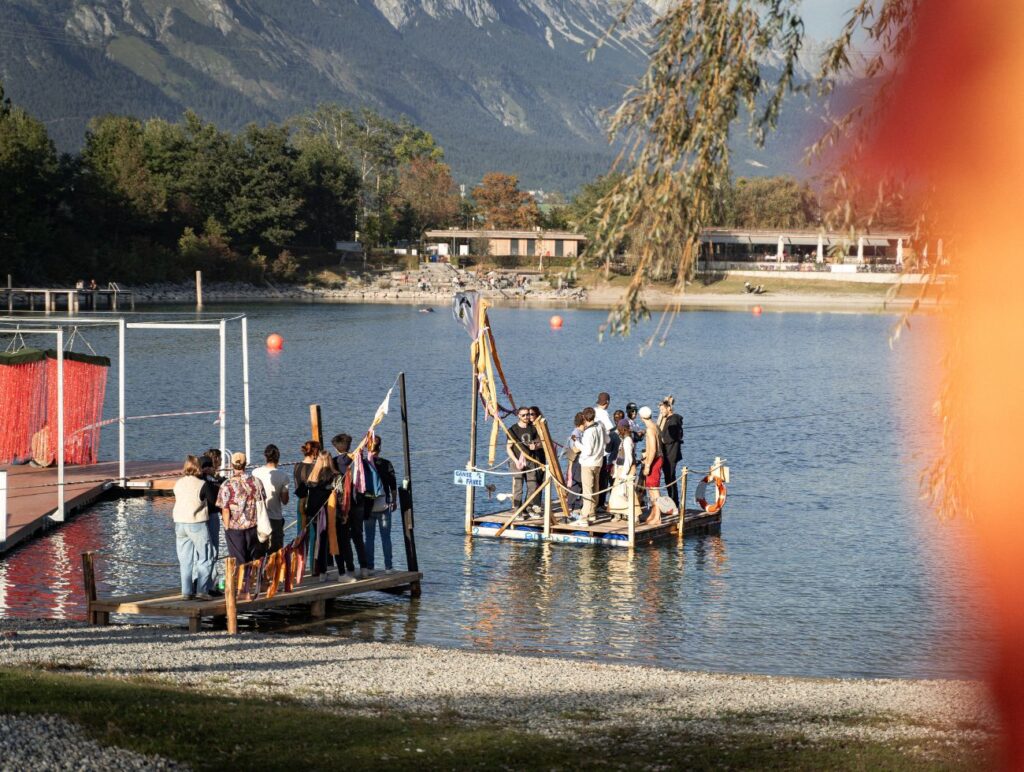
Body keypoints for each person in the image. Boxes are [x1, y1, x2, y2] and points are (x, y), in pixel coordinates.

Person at [172, 455, 215, 601]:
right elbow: (213, 501)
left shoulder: (178, 483)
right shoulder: (202, 484)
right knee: (205, 557)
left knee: (185, 560)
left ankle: (186, 591)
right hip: (196, 523)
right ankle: (202, 590)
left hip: (179, 523)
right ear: (198, 467)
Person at [216, 451, 267, 564]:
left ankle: (242, 581)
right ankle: (254, 580)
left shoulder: (226, 485)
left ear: (232, 465)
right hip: (254, 526)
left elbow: (225, 509)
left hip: (235, 528)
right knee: (255, 560)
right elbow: (262, 501)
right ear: (245, 464)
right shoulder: (256, 482)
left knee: (239, 562)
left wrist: (226, 526)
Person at [331, 433, 368, 582]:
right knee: (358, 536)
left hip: (343, 506)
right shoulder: (358, 460)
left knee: (344, 539)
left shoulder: (334, 462)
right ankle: (364, 568)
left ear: (336, 448)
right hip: (358, 502)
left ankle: (350, 568)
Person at [362, 436, 398, 574]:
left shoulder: (363, 464)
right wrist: (394, 501)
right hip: (384, 505)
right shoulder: (386, 464)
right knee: (386, 538)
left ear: (367, 448)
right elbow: (393, 485)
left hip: (368, 506)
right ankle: (388, 567)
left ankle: (369, 567)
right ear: (380, 448)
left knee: (369, 538)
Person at [302, 450, 338, 577]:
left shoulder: (312, 477)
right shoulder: (334, 476)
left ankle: (316, 569)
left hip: (313, 512)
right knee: (329, 540)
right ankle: (326, 569)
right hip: (328, 511)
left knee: (318, 540)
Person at [252, 444, 289, 553]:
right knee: (276, 551)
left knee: (259, 550)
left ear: (265, 456)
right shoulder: (283, 476)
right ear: (278, 457)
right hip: (275, 518)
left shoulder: (255, 472)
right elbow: (285, 501)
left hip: (259, 516)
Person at [573, 407, 606, 525]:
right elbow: (606, 441)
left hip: (588, 463)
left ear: (584, 418)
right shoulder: (600, 426)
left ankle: (584, 516)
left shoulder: (588, 432)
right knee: (595, 488)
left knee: (587, 490)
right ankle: (592, 513)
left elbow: (587, 451)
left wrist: (577, 442)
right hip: (599, 462)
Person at [507, 406, 541, 513]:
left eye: (528, 414)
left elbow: (539, 442)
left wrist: (535, 446)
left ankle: (528, 506)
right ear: (518, 416)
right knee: (518, 487)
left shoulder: (533, 428)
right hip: (517, 461)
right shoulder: (512, 429)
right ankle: (517, 509)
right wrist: (516, 461)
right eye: (523, 415)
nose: (526, 417)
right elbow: (508, 448)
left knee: (533, 485)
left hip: (530, 460)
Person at [607, 419, 640, 520]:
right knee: (617, 493)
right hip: (621, 469)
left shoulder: (627, 441)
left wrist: (624, 473)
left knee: (628, 493)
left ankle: (634, 515)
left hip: (626, 470)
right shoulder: (625, 439)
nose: (618, 431)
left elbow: (629, 458)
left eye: (619, 429)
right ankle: (618, 513)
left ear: (623, 429)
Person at [658, 396, 684, 507]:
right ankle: (674, 501)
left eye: (663, 410)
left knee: (670, 478)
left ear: (669, 408)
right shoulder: (668, 419)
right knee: (669, 478)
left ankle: (675, 502)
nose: (661, 412)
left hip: (671, 454)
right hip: (668, 453)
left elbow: (670, 436)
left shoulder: (673, 420)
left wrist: (662, 439)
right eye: (660, 410)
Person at [293, 440, 320, 543]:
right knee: (314, 537)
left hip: (300, 503)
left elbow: (297, 487)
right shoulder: (315, 468)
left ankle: (299, 558)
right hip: (313, 505)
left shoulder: (296, 466)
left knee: (300, 536)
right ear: (315, 452)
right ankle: (313, 559)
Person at [639, 406, 663, 505]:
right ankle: (655, 513)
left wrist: (648, 465)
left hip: (654, 460)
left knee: (653, 488)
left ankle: (658, 515)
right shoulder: (655, 426)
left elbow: (653, 449)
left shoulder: (650, 430)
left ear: (641, 417)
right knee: (651, 487)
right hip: (658, 458)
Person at [564, 412, 586, 514]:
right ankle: (570, 504)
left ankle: (580, 504)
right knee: (576, 483)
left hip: (583, 460)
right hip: (577, 460)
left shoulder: (584, 432)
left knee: (583, 483)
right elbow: (574, 449)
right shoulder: (576, 433)